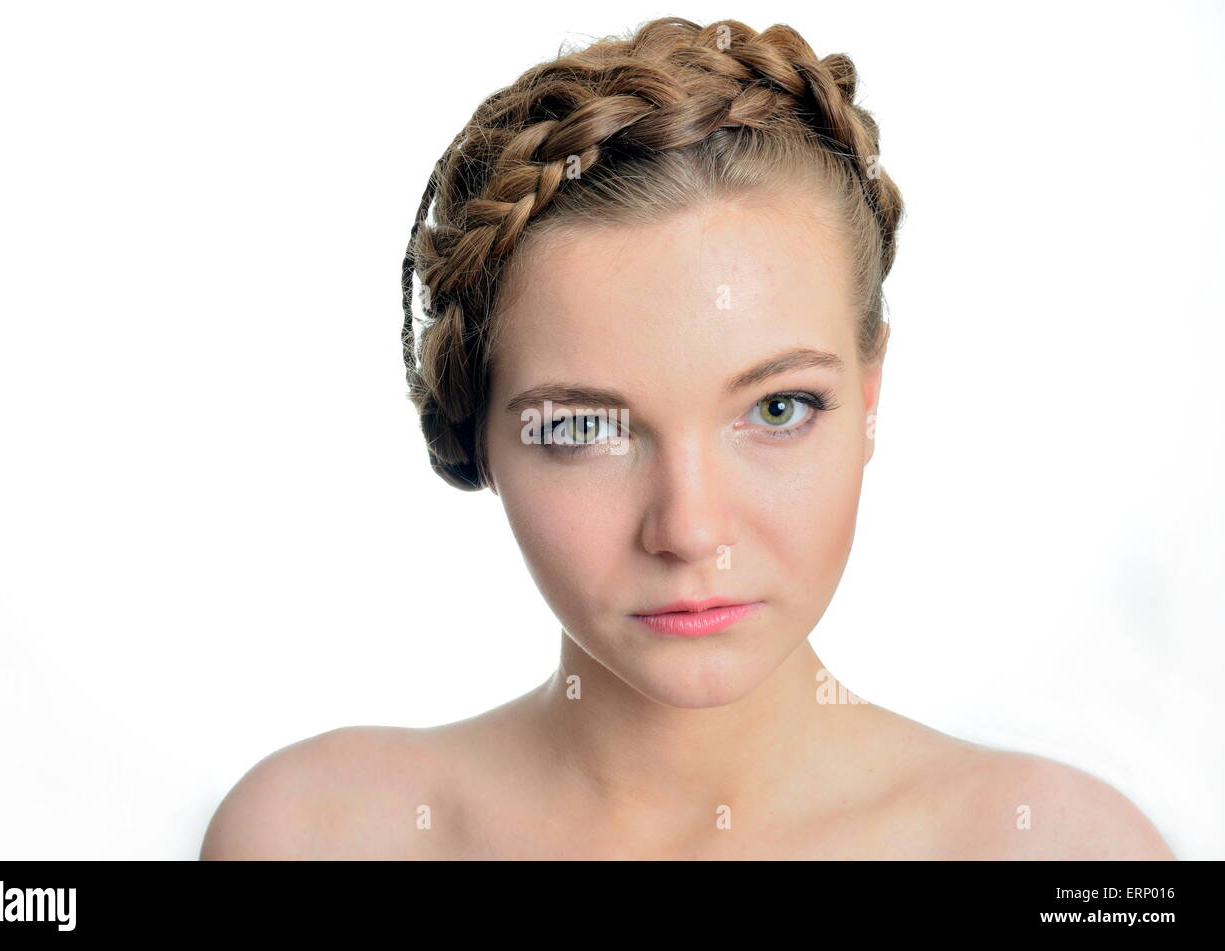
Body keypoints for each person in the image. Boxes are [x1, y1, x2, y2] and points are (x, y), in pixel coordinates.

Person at [201, 16, 1175, 860]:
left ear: (869, 397)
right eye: (585, 426)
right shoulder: (313, 837)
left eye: (779, 408)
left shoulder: (1061, 855)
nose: (690, 528)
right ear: (473, 437)